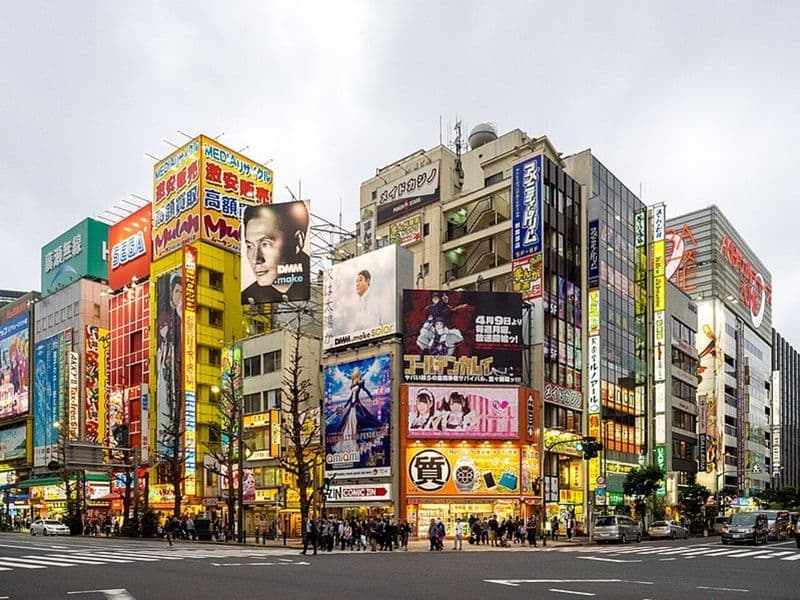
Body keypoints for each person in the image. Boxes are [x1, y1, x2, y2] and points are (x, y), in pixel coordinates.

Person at [241, 202, 310, 305]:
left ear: (297, 241)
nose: (256, 259)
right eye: (250, 246)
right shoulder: (248, 296)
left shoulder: (316, 287)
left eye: (265, 244)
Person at [332, 368, 382, 455]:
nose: (355, 378)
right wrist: (345, 406)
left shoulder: (360, 383)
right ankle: (348, 441)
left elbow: (366, 391)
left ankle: (363, 437)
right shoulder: (353, 385)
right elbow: (351, 397)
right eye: (354, 377)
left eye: (356, 376)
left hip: (356, 405)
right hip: (352, 405)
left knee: (360, 419)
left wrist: (372, 398)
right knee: (347, 422)